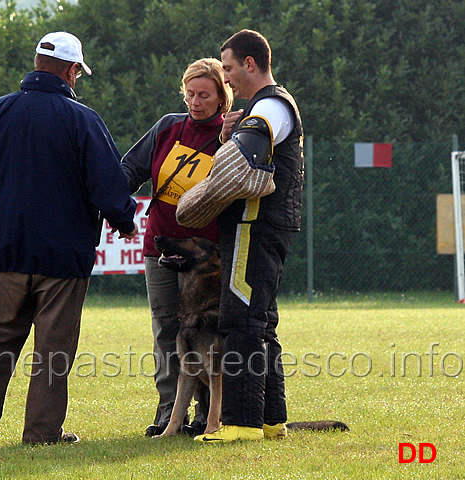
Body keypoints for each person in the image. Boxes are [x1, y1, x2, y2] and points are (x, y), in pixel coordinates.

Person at [0, 31, 137, 446]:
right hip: (64, 259)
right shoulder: (83, 119)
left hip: (9, 252)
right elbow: (107, 184)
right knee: (53, 349)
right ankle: (41, 433)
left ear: (36, 64)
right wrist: (125, 220)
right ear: (72, 71)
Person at [194, 30, 304, 443]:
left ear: (251, 64)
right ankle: (272, 419)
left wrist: (232, 142)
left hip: (253, 224)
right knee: (261, 321)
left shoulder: (271, 105)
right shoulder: (267, 105)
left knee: (240, 319)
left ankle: (241, 423)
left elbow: (251, 152)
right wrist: (230, 132)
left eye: (229, 68)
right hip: (265, 226)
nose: (226, 79)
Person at [121, 58, 233, 437]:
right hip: (161, 245)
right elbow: (130, 170)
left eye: (204, 95)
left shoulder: (230, 135)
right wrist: (109, 199)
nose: (195, 102)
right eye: (189, 94)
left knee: (209, 335)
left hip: (208, 254)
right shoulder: (168, 127)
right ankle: (169, 413)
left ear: (222, 97)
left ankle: (207, 416)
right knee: (167, 329)